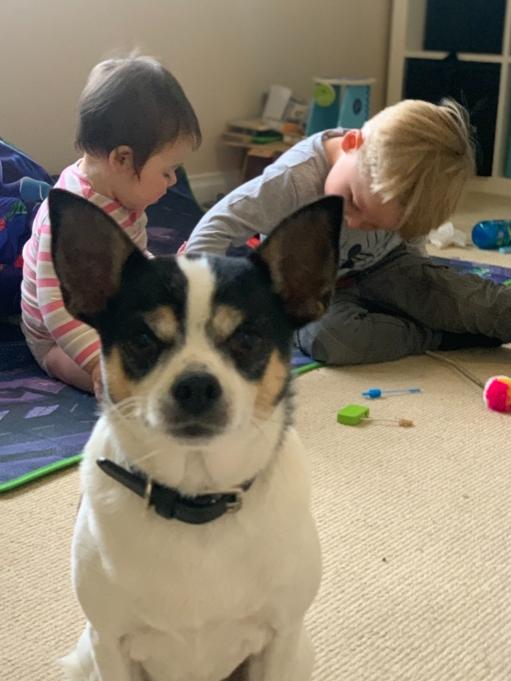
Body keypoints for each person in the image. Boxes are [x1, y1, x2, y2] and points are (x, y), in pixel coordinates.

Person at [184, 98, 511, 365]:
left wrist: (421, 289)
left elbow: (413, 241)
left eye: (378, 224)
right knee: (334, 339)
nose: (354, 223)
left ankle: (424, 315)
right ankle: (437, 336)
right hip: (308, 286)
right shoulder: (294, 180)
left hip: (388, 267)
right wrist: (197, 297)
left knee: (469, 301)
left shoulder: (401, 195)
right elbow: (219, 224)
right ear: (353, 143)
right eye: (353, 201)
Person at [21, 55, 201, 394]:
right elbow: (57, 310)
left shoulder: (122, 195)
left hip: (107, 307)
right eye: (166, 171)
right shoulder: (69, 221)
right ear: (122, 159)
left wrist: (164, 271)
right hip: (60, 336)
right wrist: (96, 362)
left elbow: (131, 259)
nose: (173, 180)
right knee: (123, 384)